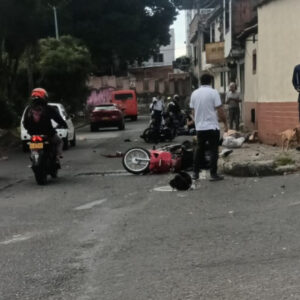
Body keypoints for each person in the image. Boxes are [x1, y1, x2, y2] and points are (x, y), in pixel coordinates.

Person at [190, 74, 228, 181]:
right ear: (210, 81)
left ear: (200, 81)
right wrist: (225, 124)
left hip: (200, 128)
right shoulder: (213, 92)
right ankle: (213, 174)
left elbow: (193, 111)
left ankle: (195, 173)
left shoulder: (194, 93)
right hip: (212, 127)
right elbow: (220, 110)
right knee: (213, 151)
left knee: (199, 150)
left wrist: (197, 122)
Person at [23, 88, 68, 161]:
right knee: (59, 142)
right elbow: (58, 118)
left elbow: (25, 123)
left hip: (33, 134)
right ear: (44, 97)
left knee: (32, 144)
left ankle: (34, 155)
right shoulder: (48, 108)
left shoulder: (29, 109)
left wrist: (29, 130)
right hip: (48, 133)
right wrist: (64, 125)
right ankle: (57, 156)